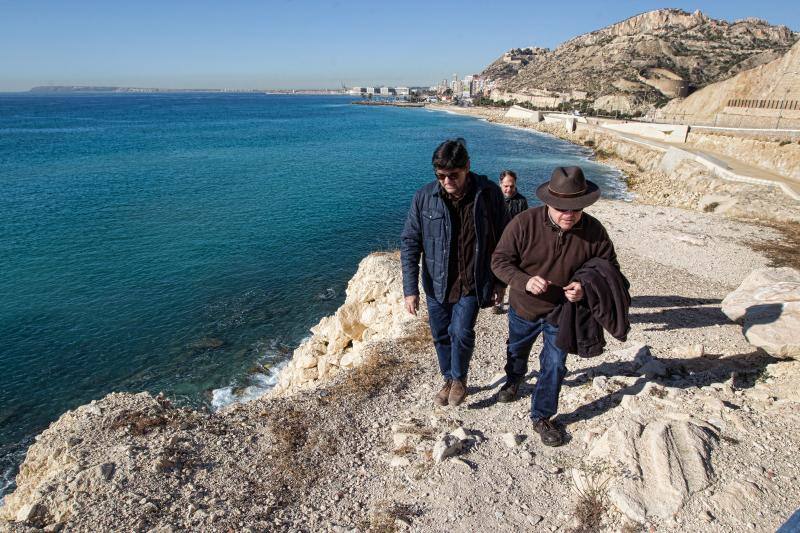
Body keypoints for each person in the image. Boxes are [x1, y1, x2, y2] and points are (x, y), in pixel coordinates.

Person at [491, 166, 623, 446]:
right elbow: (499, 261)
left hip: (562, 312)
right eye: (562, 208)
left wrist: (584, 287)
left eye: (576, 208)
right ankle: (514, 379)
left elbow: (609, 269)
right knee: (516, 349)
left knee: (554, 364)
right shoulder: (523, 223)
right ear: (548, 202)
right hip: (524, 307)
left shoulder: (595, 232)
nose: (569, 214)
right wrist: (524, 281)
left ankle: (542, 415)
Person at [401, 138, 506, 407]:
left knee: (461, 331)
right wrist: (410, 289)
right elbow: (410, 243)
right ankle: (447, 378)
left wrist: (500, 282)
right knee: (440, 334)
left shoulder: (489, 194)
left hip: (472, 281)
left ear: (467, 167)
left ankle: (459, 379)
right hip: (436, 284)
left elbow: (503, 240)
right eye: (441, 176)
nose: (447, 181)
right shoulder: (424, 197)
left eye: (453, 175)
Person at [494, 170, 528, 314]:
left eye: (512, 186)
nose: (509, 189)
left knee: (509, 273)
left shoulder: (521, 201)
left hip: (513, 244)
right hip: (495, 241)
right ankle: (495, 299)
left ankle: (501, 302)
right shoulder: (493, 198)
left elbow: (525, 225)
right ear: (500, 184)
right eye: (506, 186)